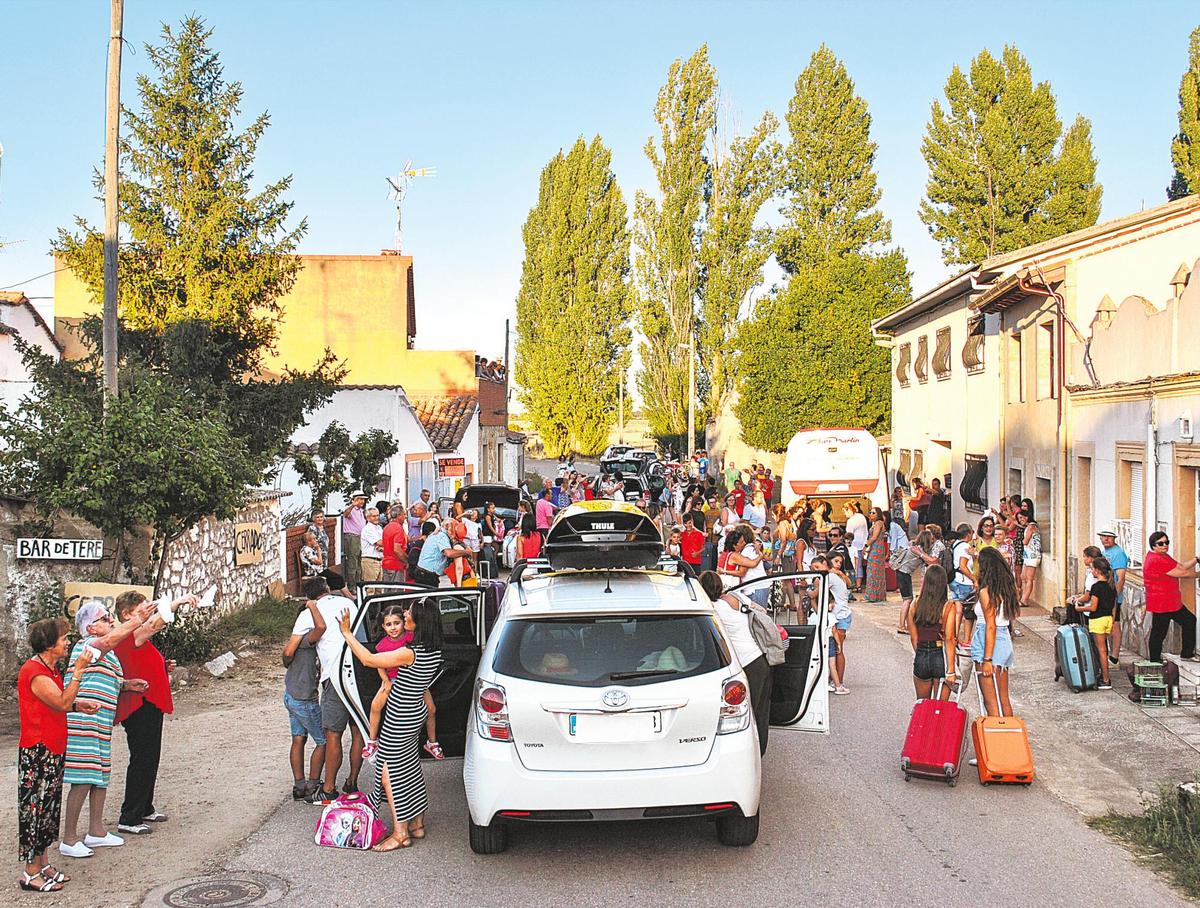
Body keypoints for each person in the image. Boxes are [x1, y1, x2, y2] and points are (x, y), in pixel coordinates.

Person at [336, 599, 444, 850]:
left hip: (401, 715)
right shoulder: (433, 649)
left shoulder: (409, 653)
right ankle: (417, 824)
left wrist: (346, 633)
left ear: (420, 622)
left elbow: (368, 660)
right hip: (416, 710)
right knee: (411, 766)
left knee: (389, 773)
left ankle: (400, 833)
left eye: (410, 612)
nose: (406, 614)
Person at [59, 598, 159, 858]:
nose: (111, 621)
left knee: (100, 774)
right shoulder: (89, 645)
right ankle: (69, 837)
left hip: (100, 721)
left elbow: (104, 675)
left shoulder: (107, 653)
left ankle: (96, 830)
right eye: (104, 619)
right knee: (83, 778)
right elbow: (106, 643)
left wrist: (126, 684)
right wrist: (138, 620)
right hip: (83, 720)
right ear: (90, 627)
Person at [17, 620, 99, 891]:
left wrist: (78, 705)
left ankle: (43, 863)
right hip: (38, 751)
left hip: (51, 748)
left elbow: (59, 704)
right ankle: (30, 872)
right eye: (63, 639)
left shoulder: (49, 669)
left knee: (48, 809)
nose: (67, 643)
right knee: (35, 810)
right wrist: (78, 672)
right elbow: (61, 701)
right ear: (50, 644)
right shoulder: (35, 672)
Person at [111, 591, 195, 836]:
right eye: (141, 610)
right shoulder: (129, 634)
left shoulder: (134, 636)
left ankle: (145, 806)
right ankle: (130, 815)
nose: (146, 614)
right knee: (142, 757)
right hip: (139, 704)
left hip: (148, 702)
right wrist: (176, 603)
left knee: (150, 756)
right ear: (127, 615)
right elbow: (154, 625)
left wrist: (161, 665)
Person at [301, 576, 366, 805]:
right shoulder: (349, 604)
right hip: (357, 672)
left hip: (334, 676)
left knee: (333, 734)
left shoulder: (309, 611)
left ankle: (328, 788)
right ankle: (352, 781)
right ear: (328, 588)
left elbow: (298, 645)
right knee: (358, 731)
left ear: (308, 596)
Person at [697, 571, 771, 755]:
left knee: (745, 716)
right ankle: (759, 753)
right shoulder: (735, 597)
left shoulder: (712, 609)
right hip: (760, 659)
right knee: (760, 713)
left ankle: (749, 756)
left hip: (744, 664)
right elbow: (761, 610)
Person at [362, 605, 443, 764]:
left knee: (431, 709)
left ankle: (432, 742)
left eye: (397, 622)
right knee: (375, 706)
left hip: (414, 681)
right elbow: (379, 664)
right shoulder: (382, 645)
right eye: (389, 624)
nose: (393, 627)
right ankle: (372, 741)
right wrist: (385, 681)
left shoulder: (411, 637)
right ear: (383, 627)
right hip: (392, 679)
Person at [282, 596, 327, 800]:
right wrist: (313, 606)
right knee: (323, 741)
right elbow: (321, 627)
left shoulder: (297, 641)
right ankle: (313, 784)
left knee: (298, 739)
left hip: (292, 695)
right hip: (304, 700)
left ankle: (299, 785)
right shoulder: (307, 640)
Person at [973, 547, 1021, 717]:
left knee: (990, 700)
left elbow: (990, 625)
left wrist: (987, 659)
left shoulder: (987, 592)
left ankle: (996, 740)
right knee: (1003, 698)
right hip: (1003, 639)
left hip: (990, 642)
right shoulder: (1007, 589)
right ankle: (1009, 737)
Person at [1142, 530, 1200, 663]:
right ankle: (1156, 660)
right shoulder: (1156, 559)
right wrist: (1198, 575)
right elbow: (1181, 573)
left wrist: (1196, 560)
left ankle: (1184, 654)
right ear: (1153, 545)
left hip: (1170, 602)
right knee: (1160, 632)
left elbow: (1181, 566)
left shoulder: (1162, 556)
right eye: (1161, 543)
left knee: (1187, 621)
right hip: (1163, 602)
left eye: (1166, 542)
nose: (1164, 545)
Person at [906, 565, 957, 700]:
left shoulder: (915, 604)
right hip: (940, 655)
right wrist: (951, 670)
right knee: (939, 709)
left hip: (922, 654)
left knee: (923, 706)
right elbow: (950, 638)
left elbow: (914, 638)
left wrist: (922, 653)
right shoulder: (948, 607)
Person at [1076, 556, 1116, 689]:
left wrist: (1079, 608)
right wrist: (1112, 621)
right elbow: (1114, 606)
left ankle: (1106, 679)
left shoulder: (1096, 587)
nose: (1091, 571)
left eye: (1093, 569)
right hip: (1108, 619)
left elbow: (1093, 607)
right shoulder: (1111, 586)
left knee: (1101, 651)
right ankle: (1104, 676)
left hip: (1097, 620)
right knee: (1104, 649)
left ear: (1098, 571)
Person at [814, 554, 852, 695]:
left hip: (839, 615)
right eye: (836, 561)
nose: (838, 565)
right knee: (837, 649)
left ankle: (838, 682)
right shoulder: (835, 576)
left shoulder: (829, 577)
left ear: (825, 563)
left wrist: (809, 592)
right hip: (843, 614)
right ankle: (836, 680)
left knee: (838, 650)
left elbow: (816, 593)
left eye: (817, 567)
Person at [1097, 526, 1130, 664]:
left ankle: (1115, 655)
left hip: (1113, 595)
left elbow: (1120, 577)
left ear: (1114, 539)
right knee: (1109, 624)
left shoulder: (1118, 554)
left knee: (1115, 624)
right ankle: (1111, 652)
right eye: (1103, 536)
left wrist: (1114, 596)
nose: (1105, 539)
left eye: (1108, 537)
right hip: (1106, 595)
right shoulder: (1106, 552)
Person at [949, 523, 978, 655]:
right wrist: (974, 579)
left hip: (954, 581)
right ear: (968, 534)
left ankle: (954, 636)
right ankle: (967, 639)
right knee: (969, 613)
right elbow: (963, 566)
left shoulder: (955, 544)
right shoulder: (966, 547)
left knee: (958, 611)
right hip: (964, 582)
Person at [890, 514, 916, 633]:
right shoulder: (916, 550)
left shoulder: (911, 547)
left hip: (902, 572)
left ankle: (904, 624)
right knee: (907, 599)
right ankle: (902, 625)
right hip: (904, 573)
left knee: (907, 599)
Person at [862, 507, 888, 602]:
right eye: (870, 512)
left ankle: (871, 596)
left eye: (873, 513)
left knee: (872, 571)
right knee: (876, 571)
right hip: (876, 548)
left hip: (876, 549)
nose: (871, 514)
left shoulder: (878, 523)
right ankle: (877, 595)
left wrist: (865, 546)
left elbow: (874, 537)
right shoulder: (877, 523)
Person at [1017, 509, 1041, 609]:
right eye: (1019, 518)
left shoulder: (1031, 526)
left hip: (1033, 555)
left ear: (1027, 517)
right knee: (1023, 577)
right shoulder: (1028, 526)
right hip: (1028, 555)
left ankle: (1025, 599)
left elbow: (1025, 541)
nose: (1020, 520)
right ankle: (1023, 598)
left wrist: (1022, 540)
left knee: (1029, 578)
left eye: (1022, 518)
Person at [381, 503, 409, 582]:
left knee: (387, 591)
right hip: (396, 564)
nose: (405, 517)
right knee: (397, 591)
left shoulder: (387, 527)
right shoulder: (398, 528)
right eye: (404, 514)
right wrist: (406, 560)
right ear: (399, 515)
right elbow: (397, 549)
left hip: (386, 563)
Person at [844, 504, 869, 589]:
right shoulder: (861, 517)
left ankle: (853, 584)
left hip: (853, 545)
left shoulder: (851, 521)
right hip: (862, 544)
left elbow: (848, 535)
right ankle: (859, 586)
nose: (845, 514)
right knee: (859, 565)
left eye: (845, 511)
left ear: (849, 510)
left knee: (853, 565)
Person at [359, 507, 385, 583]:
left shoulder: (379, 527)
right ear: (368, 518)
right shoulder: (367, 529)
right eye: (374, 516)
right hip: (370, 560)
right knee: (370, 588)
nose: (376, 518)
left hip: (379, 560)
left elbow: (382, 543)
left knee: (379, 588)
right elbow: (380, 542)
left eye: (377, 515)